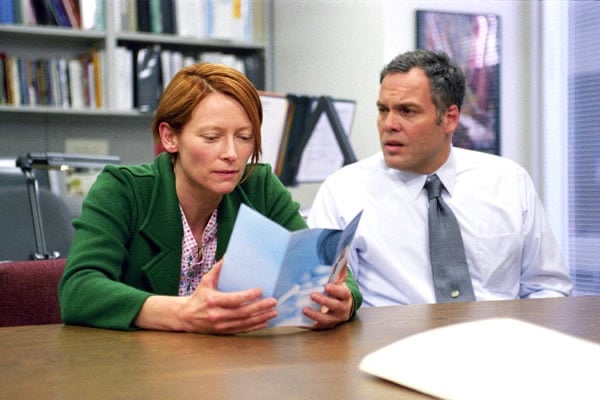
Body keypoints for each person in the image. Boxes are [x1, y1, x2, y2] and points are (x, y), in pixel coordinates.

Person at [59, 63, 362, 334]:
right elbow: (78, 289)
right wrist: (185, 313)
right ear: (170, 137)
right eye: (212, 137)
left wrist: (344, 301)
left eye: (244, 137)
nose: (231, 153)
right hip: (136, 365)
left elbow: (327, 269)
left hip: (231, 365)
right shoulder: (123, 190)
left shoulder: (259, 187)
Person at [307, 49, 572, 306]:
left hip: (497, 331)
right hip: (393, 334)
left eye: (407, 111)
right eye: (383, 110)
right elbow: (326, 295)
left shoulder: (508, 182)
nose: (389, 124)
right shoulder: (343, 191)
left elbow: (547, 287)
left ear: (449, 118)